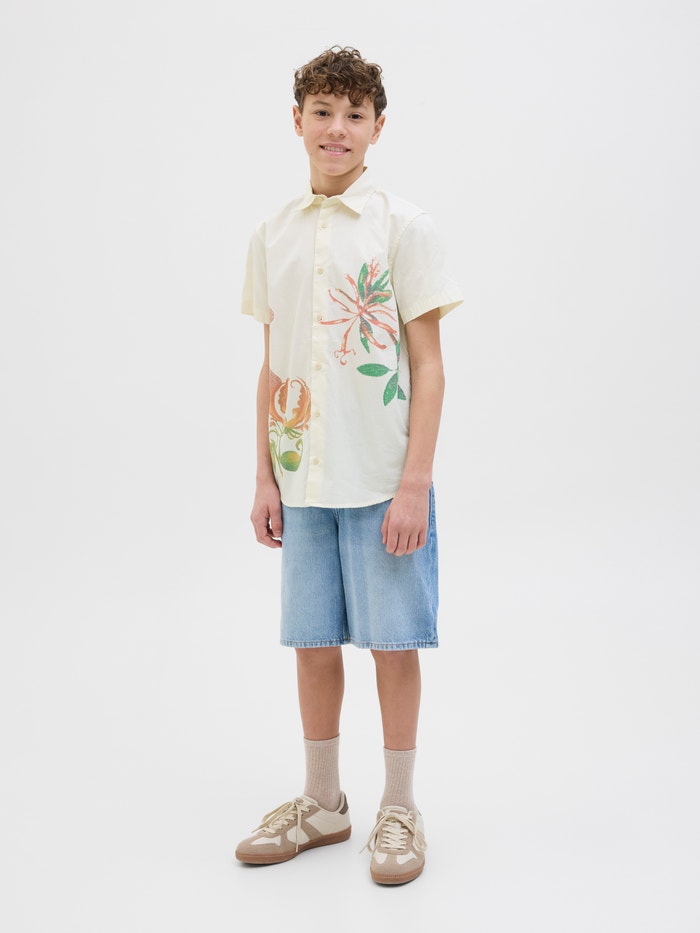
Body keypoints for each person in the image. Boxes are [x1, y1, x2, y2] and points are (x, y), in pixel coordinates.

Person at [235, 45, 462, 885]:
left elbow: (428, 365)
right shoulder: (273, 234)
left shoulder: (405, 226)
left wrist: (415, 484)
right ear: (296, 120)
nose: (337, 129)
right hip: (303, 479)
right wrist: (265, 475)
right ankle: (323, 800)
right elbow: (273, 364)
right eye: (323, 112)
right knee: (312, 641)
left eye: (354, 115)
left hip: (381, 479)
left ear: (378, 127)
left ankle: (399, 805)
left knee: (392, 644)